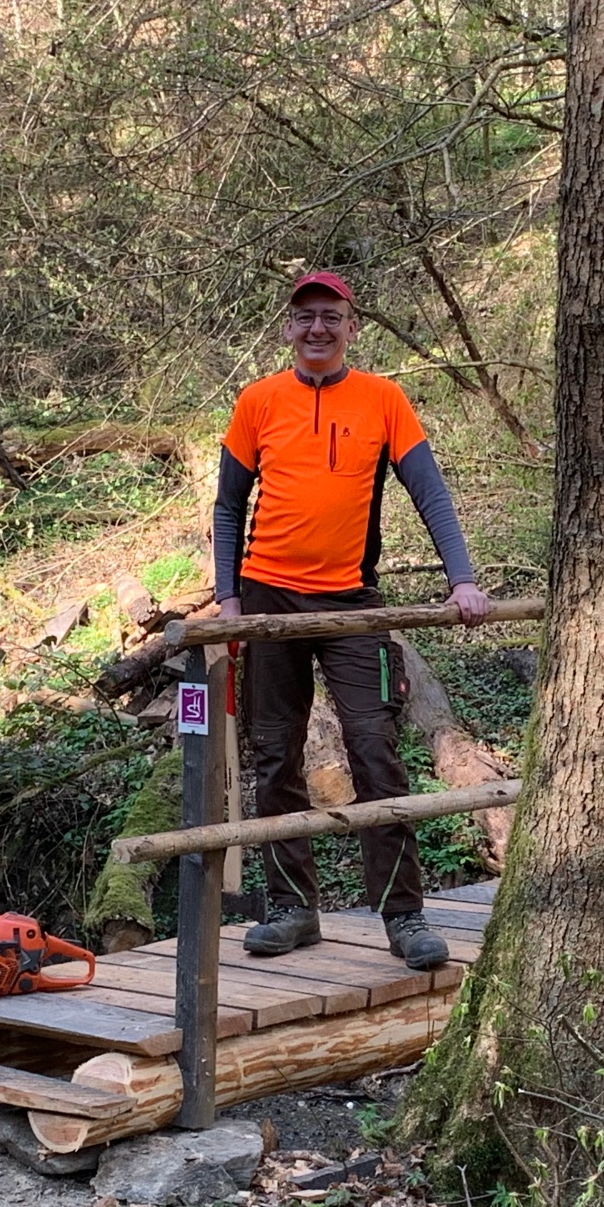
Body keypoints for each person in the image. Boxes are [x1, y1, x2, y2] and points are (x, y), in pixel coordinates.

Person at [214, 271, 491, 971]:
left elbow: (430, 492)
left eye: (330, 316)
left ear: (351, 326)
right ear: (288, 327)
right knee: (275, 753)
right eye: (305, 316)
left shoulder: (383, 399)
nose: (317, 328)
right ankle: (291, 908)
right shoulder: (258, 401)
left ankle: (403, 915)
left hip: (351, 601)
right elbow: (228, 505)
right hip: (269, 599)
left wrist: (461, 579)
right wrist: (229, 598)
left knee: (375, 750)